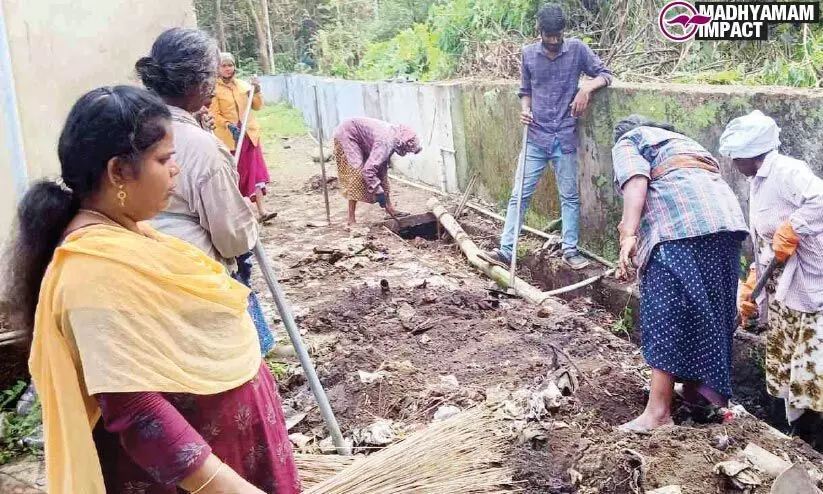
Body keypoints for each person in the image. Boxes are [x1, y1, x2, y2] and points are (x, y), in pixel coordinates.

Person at [2, 85, 299, 493]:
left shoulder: (131, 238)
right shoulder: (92, 274)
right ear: (118, 172)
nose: (175, 169)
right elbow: (136, 409)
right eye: (164, 158)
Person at [136, 28, 274, 355]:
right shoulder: (198, 147)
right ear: (201, 83)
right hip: (191, 283)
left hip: (141, 285)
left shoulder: (129, 125)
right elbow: (234, 238)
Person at [612, 115, 749, 433]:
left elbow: (635, 180)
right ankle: (699, 397)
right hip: (727, 224)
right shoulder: (687, 144)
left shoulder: (630, 139)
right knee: (712, 311)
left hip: (680, 228)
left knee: (666, 311)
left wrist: (628, 232)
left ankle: (658, 412)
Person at [484, 3, 612, 270]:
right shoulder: (528, 54)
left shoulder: (577, 49)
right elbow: (525, 90)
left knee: (570, 196)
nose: (553, 41)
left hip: (564, 136)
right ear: (539, 31)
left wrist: (586, 88)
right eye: (549, 35)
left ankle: (570, 250)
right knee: (519, 195)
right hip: (536, 137)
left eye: (557, 35)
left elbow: (606, 75)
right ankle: (507, 251)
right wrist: (525, 109)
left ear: (562, 32)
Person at [720, 110, 823, 432]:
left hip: (811, 284)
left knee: (808, 363)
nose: (734, 165)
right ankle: (783, 424)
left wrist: (794, 227)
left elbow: (820, 199)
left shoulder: (788, 171)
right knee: (783, 353)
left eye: (737, 158)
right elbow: (766, 238)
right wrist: (754, 278)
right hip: (782, 285)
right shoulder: (757, 180)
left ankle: (809, 435)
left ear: (753, 155)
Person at [209, 52, 277, 223]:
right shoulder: (213, 90)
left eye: (230, 65)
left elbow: (257, 106)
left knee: (255, 173)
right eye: (223, 66)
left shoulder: (243, 86)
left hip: (248, 135)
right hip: (229, 138)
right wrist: (228, 125)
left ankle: (262, 211)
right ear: (217, 68)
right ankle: (239, 215)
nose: (227, 69)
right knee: (234, 175)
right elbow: (214, 113)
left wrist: (257, 91)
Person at [332, 116, 422, 225]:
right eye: (408, 150)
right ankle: (351, 219)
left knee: (382, 173)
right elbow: (368, 171)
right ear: (404, 144)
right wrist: (378, 192)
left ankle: (390, 210)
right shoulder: (386, 142)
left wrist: (381, 190)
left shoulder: (394, 137)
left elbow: (380, 168)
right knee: (357, 174)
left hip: (363, 139)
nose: (407, 153)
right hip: (347, 134)